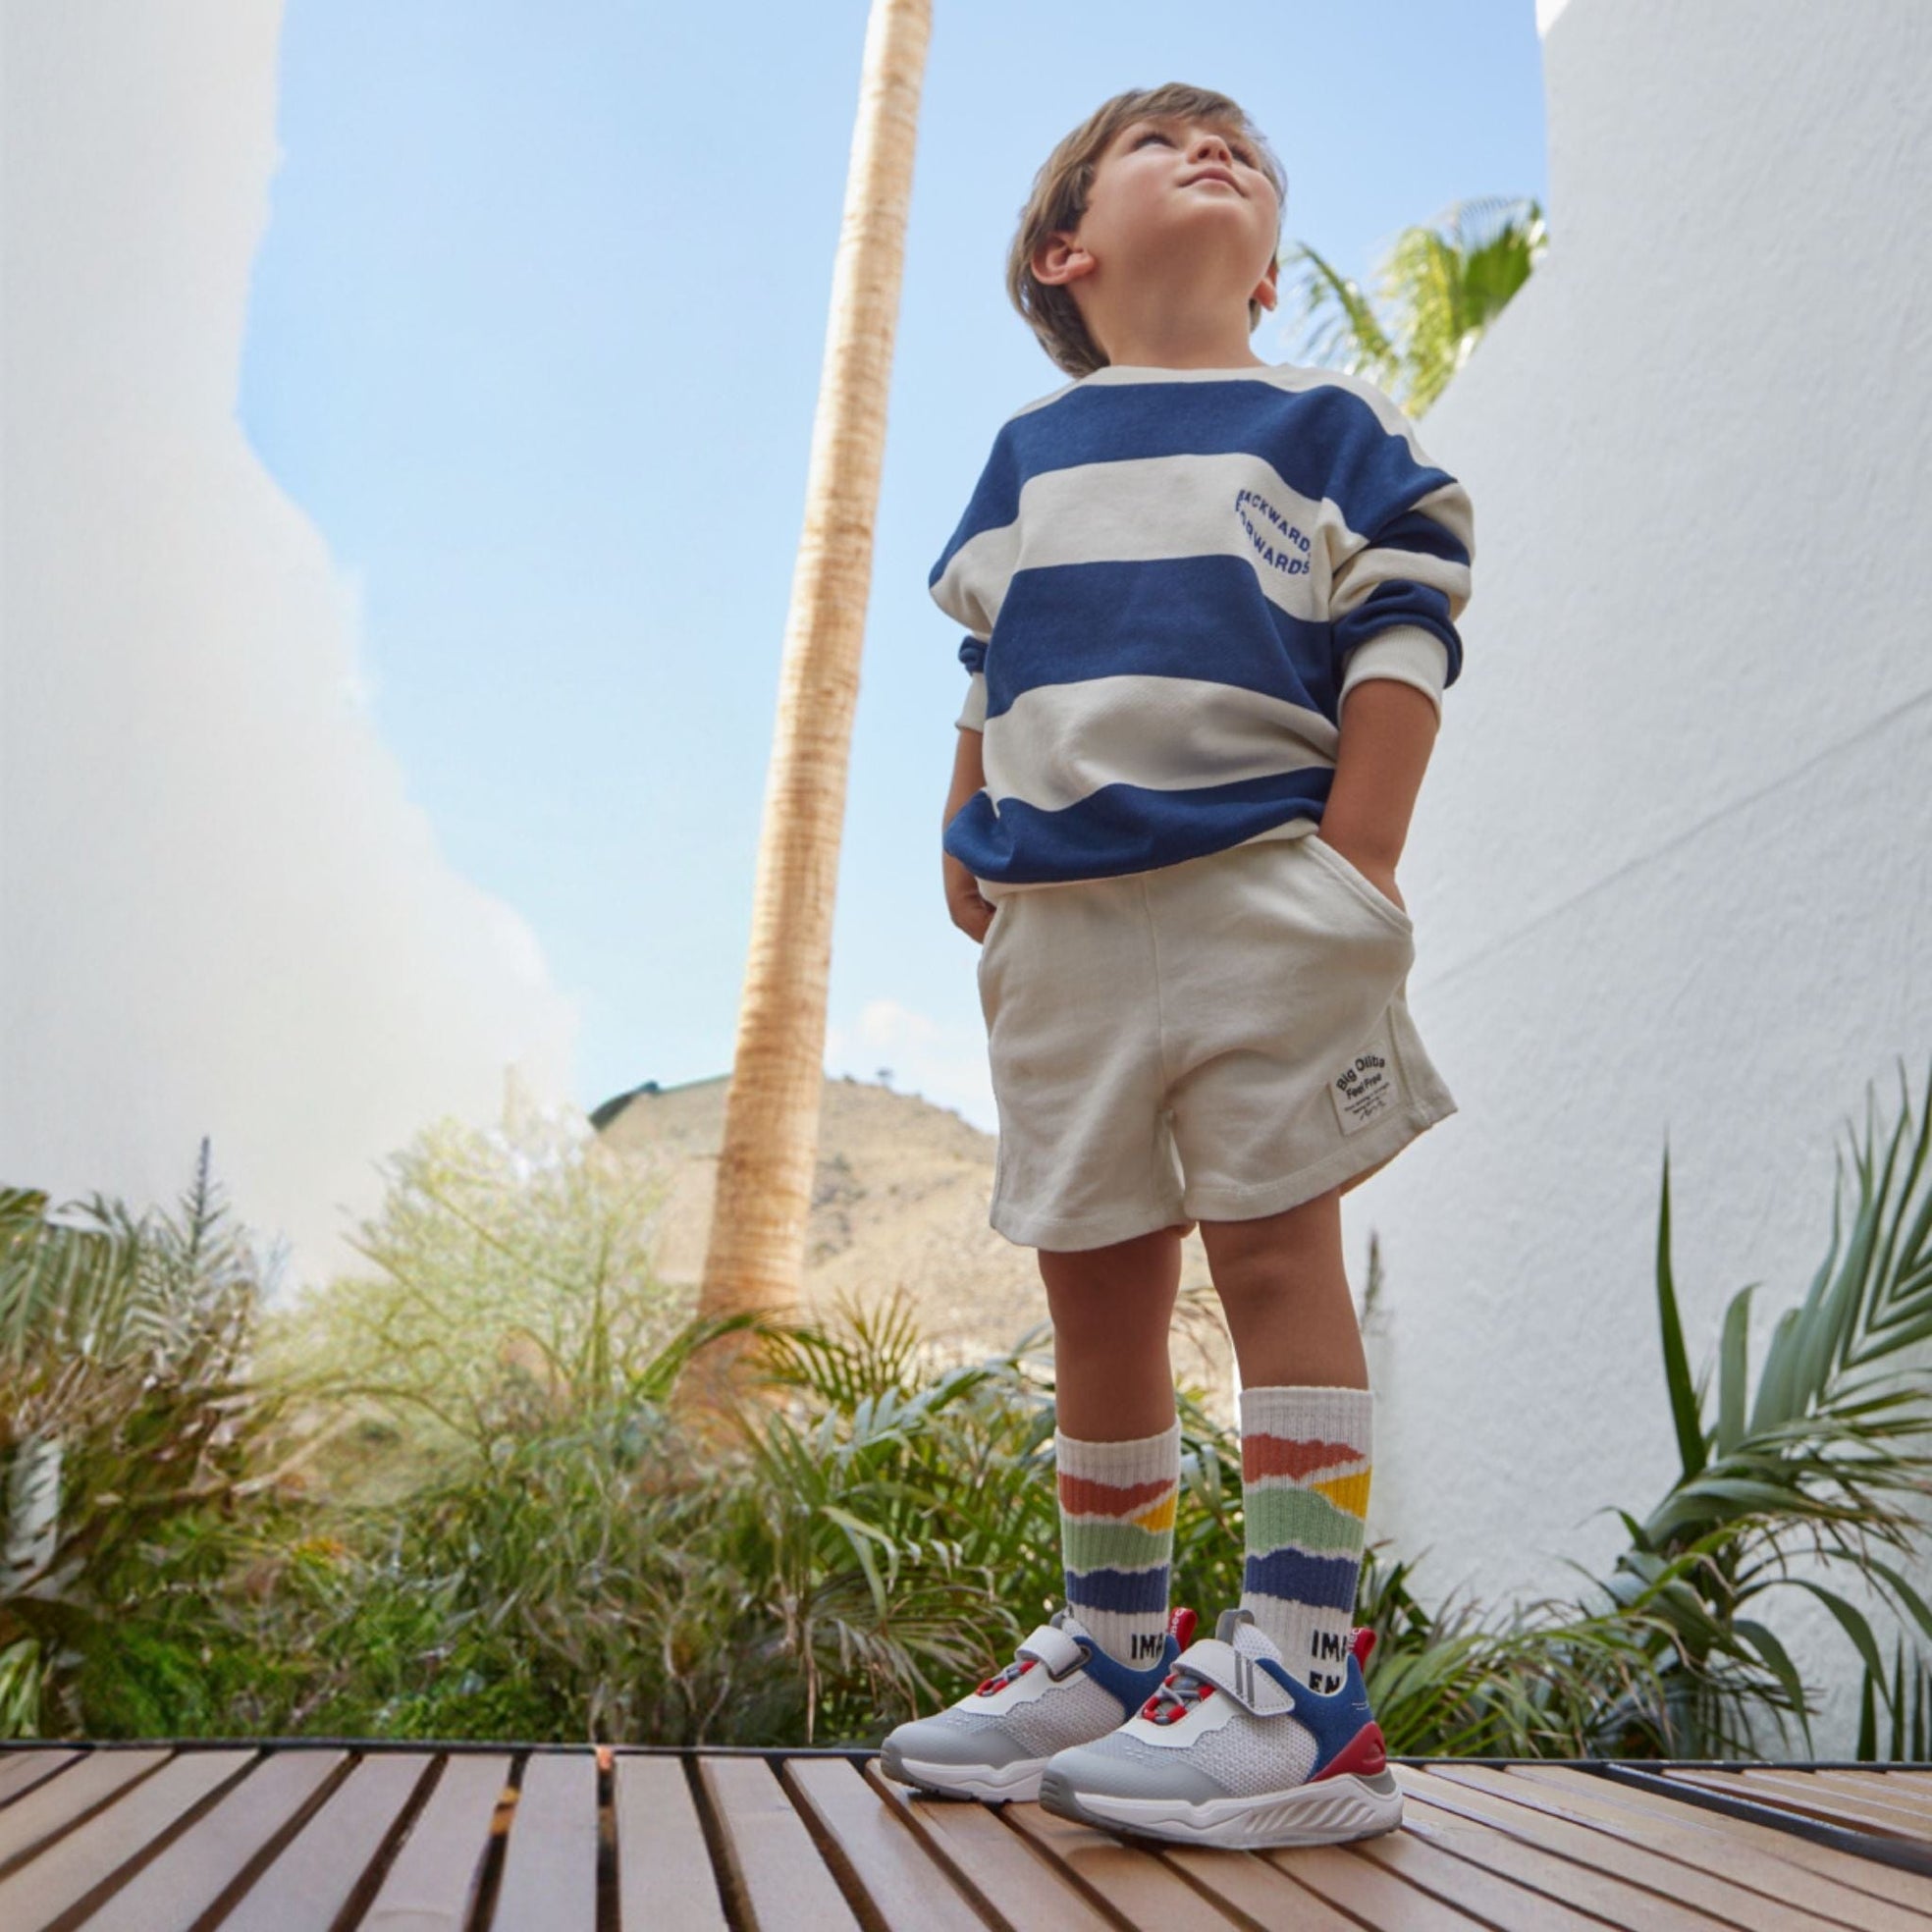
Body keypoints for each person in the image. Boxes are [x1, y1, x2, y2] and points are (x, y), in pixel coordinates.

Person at [878, 82, 1473, 1851]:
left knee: (1275, 1251)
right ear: (1065, 252)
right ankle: (1120, 1656)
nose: (1219, 154)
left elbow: (1407, 616)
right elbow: (992, 656)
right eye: (1160, 145)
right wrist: (964, 814)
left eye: (1245, 154)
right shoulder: (1028, 452)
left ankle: (1304, 1685)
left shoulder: (1324, 421)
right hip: (1060, 923)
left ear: (1269, 270)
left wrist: (1360, 855)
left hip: (1257, 892)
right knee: (1094, 1282)